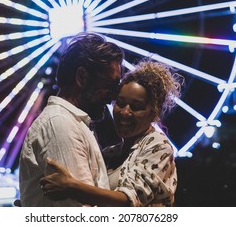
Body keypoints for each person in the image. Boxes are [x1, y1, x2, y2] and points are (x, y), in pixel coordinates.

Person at [40, 59, 184, 207]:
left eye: (136, 107)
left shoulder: (159, 146)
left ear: (154, 112)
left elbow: (129, 201)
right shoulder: (110, 153)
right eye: (120, 103)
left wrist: (71, 187)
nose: (125, 112)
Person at [19, 32, 124, 206]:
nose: (113, 97)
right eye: (110, 85)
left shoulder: (70, 123)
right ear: (82, 77)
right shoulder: (60, 125)